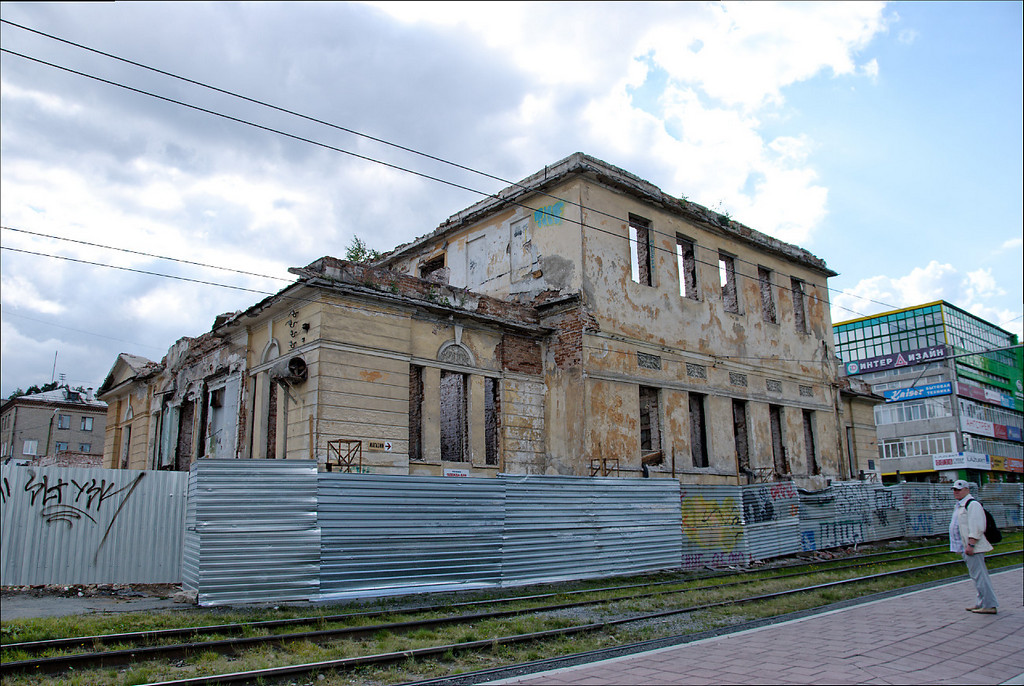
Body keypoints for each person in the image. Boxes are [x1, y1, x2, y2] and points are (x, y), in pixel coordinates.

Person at [949, 479, 998, 614]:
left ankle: (989, 605)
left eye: (959, 490)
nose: (956, 492)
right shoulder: (960, 505)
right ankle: (981, 602)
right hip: (966, 547)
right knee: (976, 576)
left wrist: (971, 544)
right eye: (954, 490)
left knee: (980, 576)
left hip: (973, 547)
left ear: (967, 490)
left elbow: (977, 527)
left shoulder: (973, 504)